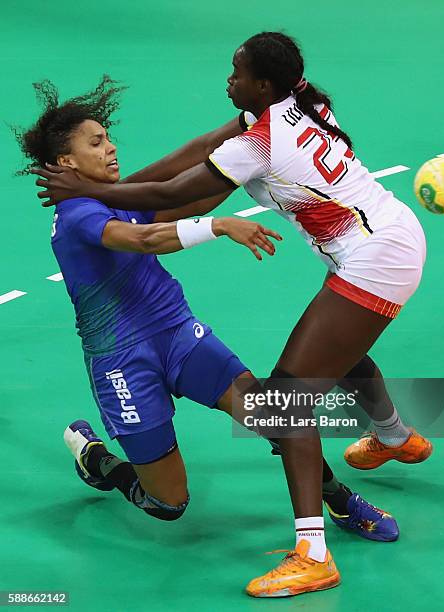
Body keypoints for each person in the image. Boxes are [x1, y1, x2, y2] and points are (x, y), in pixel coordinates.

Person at [21, 76, 399, 600]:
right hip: (122, 363)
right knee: (168, 503)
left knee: (277, 417)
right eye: (95, 143)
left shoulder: (114, 193)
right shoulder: (80, 215)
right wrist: (217, 226)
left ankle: (338, 499)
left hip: (177, 334)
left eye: (108, 137)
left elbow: (203, 168)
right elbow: (144, 237)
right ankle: (100, 462)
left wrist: (252, 130)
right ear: (64, 164)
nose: (110, 148)